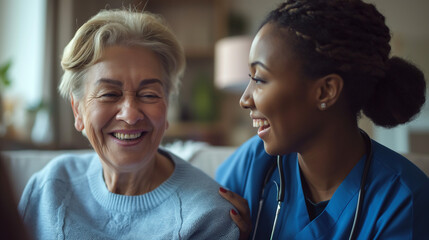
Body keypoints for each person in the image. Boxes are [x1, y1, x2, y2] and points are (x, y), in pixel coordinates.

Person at [216, 0, 429, 239]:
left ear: (326, 91)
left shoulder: (403, 201)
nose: (245, 99)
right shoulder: (254, 163)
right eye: (250, 77)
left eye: (260, 79)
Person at [18, 9, 239, 239]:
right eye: (109, 94)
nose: (130, 115)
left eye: (149, 94)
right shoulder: (49, 189)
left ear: (166, 107)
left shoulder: (207, 216)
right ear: (78, 110)